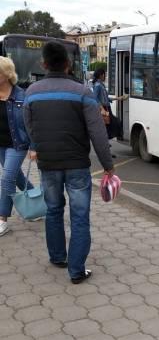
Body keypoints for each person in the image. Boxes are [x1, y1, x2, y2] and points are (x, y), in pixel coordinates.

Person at [23, 41, 114, 284]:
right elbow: (98, 134)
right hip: (77, 166)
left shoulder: (31, 93)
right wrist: (108, 165)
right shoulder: (82, 92)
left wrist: (40, 147)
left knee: (53, 210)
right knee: (80, 216)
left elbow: (30, 128)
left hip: (48, 165)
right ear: (68, 64)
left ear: (43, 64)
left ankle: (57, 257)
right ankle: (76, 270)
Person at [0, 56, 34, 237]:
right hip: (1, 145)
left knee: (7, 179)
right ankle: (37, 202)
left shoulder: (22, 95)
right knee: (16, 176)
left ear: (6, 74)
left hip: (17, 143)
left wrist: (34, 146)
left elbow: (32, 123)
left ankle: (2, 219)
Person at [92, 68, 128, 155]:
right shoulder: (97, 85)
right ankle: (104, 146)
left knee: (109, 127)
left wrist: (118, 98)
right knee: (111, 125)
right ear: (100, 75)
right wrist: (102, 108)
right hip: (103, 109)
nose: (105, 76)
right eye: (104, 74)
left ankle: (105, 146)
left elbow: (106, 98)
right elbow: (95, 99)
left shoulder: (102, 85)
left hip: (107, 108)